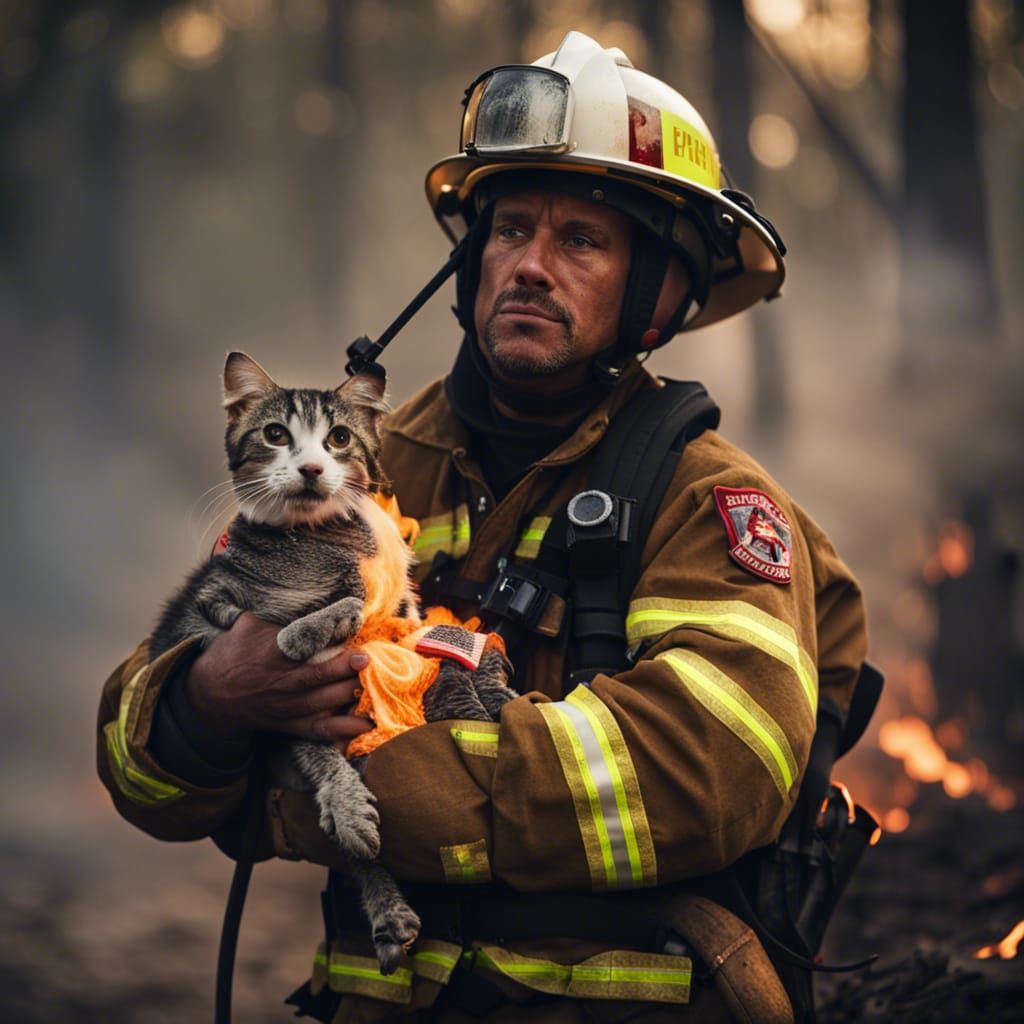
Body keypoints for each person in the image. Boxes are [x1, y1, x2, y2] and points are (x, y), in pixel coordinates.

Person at [98, 32, 867, 1023]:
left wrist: (332, 799)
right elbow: (140, 765)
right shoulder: (365, 472)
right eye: (509, 231)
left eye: (580, 239)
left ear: (661, 292)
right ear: (470, 259)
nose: (530, 266)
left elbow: (714, 764)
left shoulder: (704, 499)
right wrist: (207, 699)